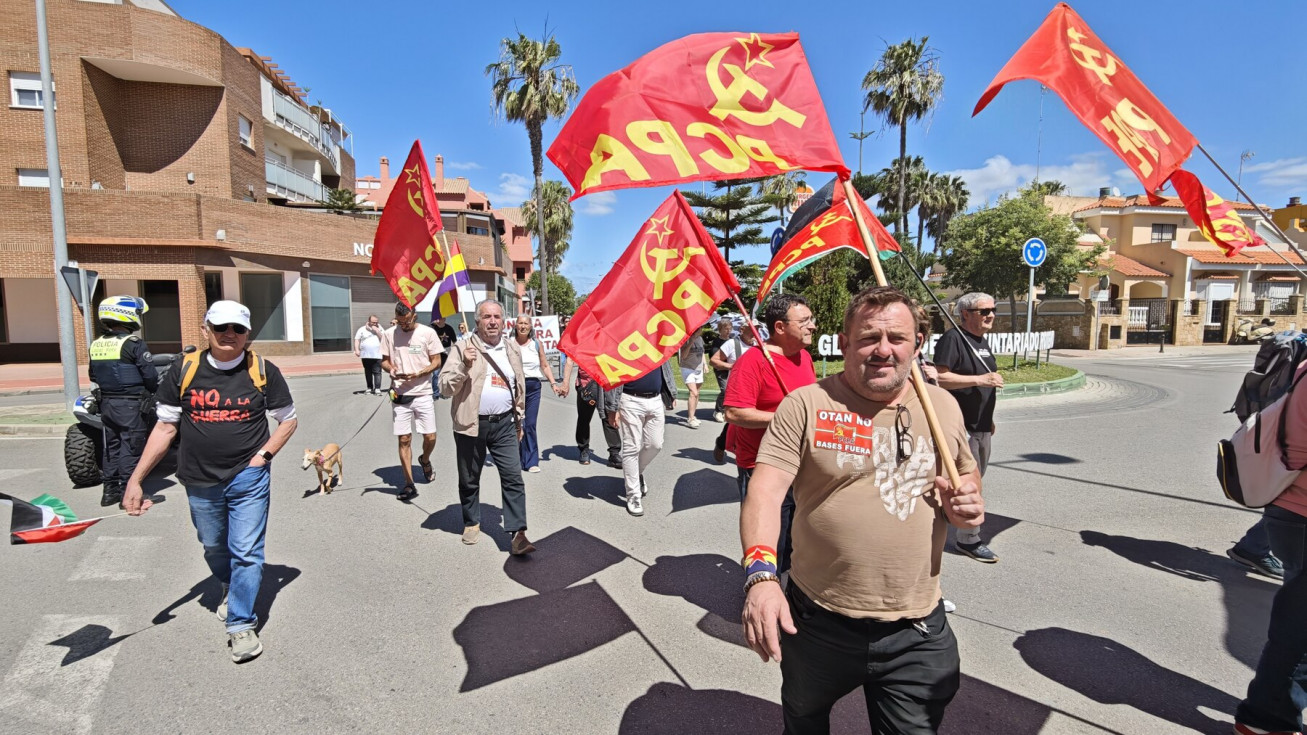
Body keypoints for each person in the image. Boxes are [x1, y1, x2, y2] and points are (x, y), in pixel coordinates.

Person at [740, 285, 983, 734]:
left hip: (916, 628)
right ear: (845, 343)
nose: (883, 350)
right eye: (869, 337)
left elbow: (966, 473)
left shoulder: (942, 407)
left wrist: (966, 502)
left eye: (897, 338)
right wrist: (761, 576)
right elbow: (766, 492)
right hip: (817, 621)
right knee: (804, 722)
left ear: (918, 344)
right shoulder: (807, 404)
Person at [123, 300, 297, 664]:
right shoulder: (184, 369)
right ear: (206, 330)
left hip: (248, 477)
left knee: (246, 551)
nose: (229, 334)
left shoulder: (263, 370)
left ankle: (240, 623)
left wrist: (263, 458)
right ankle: (229, 582)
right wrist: (136, 480)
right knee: (214, 544)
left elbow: (288, 419)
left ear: (248, 334)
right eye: (221, 327)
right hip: (199, 478)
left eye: (238, 328)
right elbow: (165, 427)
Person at [1234, 358, 1307, 735]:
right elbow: (1297, 448)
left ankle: (1268, 713)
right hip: (1299, 512)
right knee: (1298, 631)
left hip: (1290, 508)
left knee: (1298, 626)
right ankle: (1267, 716)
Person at [724, 295, 815, 574]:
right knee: (768, 541)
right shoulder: (753, 360)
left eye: (811, 319)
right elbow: (734, 413)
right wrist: (786, 418)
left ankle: (786, 585)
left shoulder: (805, 357)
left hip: (800, 465)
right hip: (761, 465)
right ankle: (762, 588)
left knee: (795, 537)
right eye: (805, 321)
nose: (813, 326)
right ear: (780, 327)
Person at [439, 300, 534, 555]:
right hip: (471, 425)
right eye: (487, 317)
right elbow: (445, 388)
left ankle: (518, 533)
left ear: (503, 321)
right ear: (477, 321)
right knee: (469, 478)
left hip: (505, 424)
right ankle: (471, 522)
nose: (492, 321)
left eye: (497, 317)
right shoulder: (462, 348)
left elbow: (519, 386)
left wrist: (519, 418)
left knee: (513, 476)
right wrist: (463, 365)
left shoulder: (512, 348)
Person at [933, 291, 1004, 564]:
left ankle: (955, 521)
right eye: (984, 311)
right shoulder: (953, 339)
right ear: (965, 314)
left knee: (977, 479)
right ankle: (968, 539)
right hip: (962, 427)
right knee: (970, 483)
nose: (991, 315)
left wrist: (989, 418)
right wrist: (980, 380)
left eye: (993, 310)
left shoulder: (981, 342)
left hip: (982, 425)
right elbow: (939, 377)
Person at [88, 296, 159, 508]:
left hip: (106, 404)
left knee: (111, 448)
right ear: (127, 315)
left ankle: (109, 492)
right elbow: (150, 376)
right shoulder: (133, 344)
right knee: (131, 447)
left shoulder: (97, 344)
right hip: (130, 405)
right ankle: (126, 495)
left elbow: (93, 375)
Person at [380, 303, 443, 502]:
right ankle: (409, 483)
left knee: (430, 436)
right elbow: (384, 360)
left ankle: (425, 459)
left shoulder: (427, 333)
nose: (403, 325)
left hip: (423, 392)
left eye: (406, 321)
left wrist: (420, 372)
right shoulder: (389, 334)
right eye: (400, 322)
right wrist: (391, 369)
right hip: (400, 393)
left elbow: (437, 361)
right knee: (404, 439)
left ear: (414, 315)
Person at [608, 357, 676, 517]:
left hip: (655, 399)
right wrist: (612, 407)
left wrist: (671, 391)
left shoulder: (656, 343)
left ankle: (636, 473)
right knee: (631, 448)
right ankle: (633, 496)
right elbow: (611, 373)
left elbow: (666, 362)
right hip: (630, 399)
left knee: (655, 444)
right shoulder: (620, 345)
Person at [513, 313, 563, 473]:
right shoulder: (509, 344)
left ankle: (531, 461)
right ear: (515, 325)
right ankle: (515, 458)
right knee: (516, 424)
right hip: (514, 387)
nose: (523, 326)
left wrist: (553, 383)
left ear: (530, 327)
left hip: (533, 386)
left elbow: (545, 365)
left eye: (526, 324)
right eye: (520, 323)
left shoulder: (536, 343)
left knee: (530, 424)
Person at [711, 320, 758, 463]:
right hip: (737, 388)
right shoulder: (732, 344)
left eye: (757, 328)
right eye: (752, 328)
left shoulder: (759, 345)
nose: (755, 332)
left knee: (751, 421)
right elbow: (714, 361)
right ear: (742, 329)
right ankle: (721, 443)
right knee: (736, 420)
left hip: (755, 389)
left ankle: (747, 452)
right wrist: (732, 366)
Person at [563, 359, 621, 467]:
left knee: (609, 417)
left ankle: (614, 453)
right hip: (586, 385)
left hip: (605, 383)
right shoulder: (580, 346)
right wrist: (565, 383)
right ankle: (584, 449)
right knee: (584, 419)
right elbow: (569, 361)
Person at [678, 326, 706, 428]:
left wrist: (705, 364)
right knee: (693, 393)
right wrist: (691, 341)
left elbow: (702, 352)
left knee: (697, 393)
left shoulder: (700, 339)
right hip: (687, 368)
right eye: (699, 329)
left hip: (698, 368)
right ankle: (690, 419)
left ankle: (693, 416)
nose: (701, 330)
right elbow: (683, 356)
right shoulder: (685, 339)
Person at [709, 319, 735, 423]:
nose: (728, 331)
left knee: (731, 390)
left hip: (732, 369)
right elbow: (714, 357)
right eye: (726, 329)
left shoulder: (732, 341)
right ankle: (718, 411)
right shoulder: (717, 342)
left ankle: (726, 410)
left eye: (730, 329)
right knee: (725, 390)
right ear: (720, 330)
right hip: (721, 370)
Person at [429, 313, 459, 398]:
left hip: (446, 352)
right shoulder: (432, 328)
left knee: (445, 373)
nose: (438, 320)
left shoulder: (449, 328)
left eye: (440, 318)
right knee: (436, 374)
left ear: (444, 319)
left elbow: (455, 341)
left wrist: (455, 353)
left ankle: (444, 392)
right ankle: (436, 393)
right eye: (436, 318)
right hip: (436, 353)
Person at [354, 314, 383, 395]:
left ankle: (377, 388)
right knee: (368, 372)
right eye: (373, 322)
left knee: (377, 372)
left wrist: (377, 331)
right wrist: (357, 350)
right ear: (369, 321)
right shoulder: (362, 329)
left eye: (376, 322)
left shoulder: (380, 328)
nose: (375, 324)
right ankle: (369, 388)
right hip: (365, 355)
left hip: (377, 355)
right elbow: (357, 340)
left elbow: (383, 338)